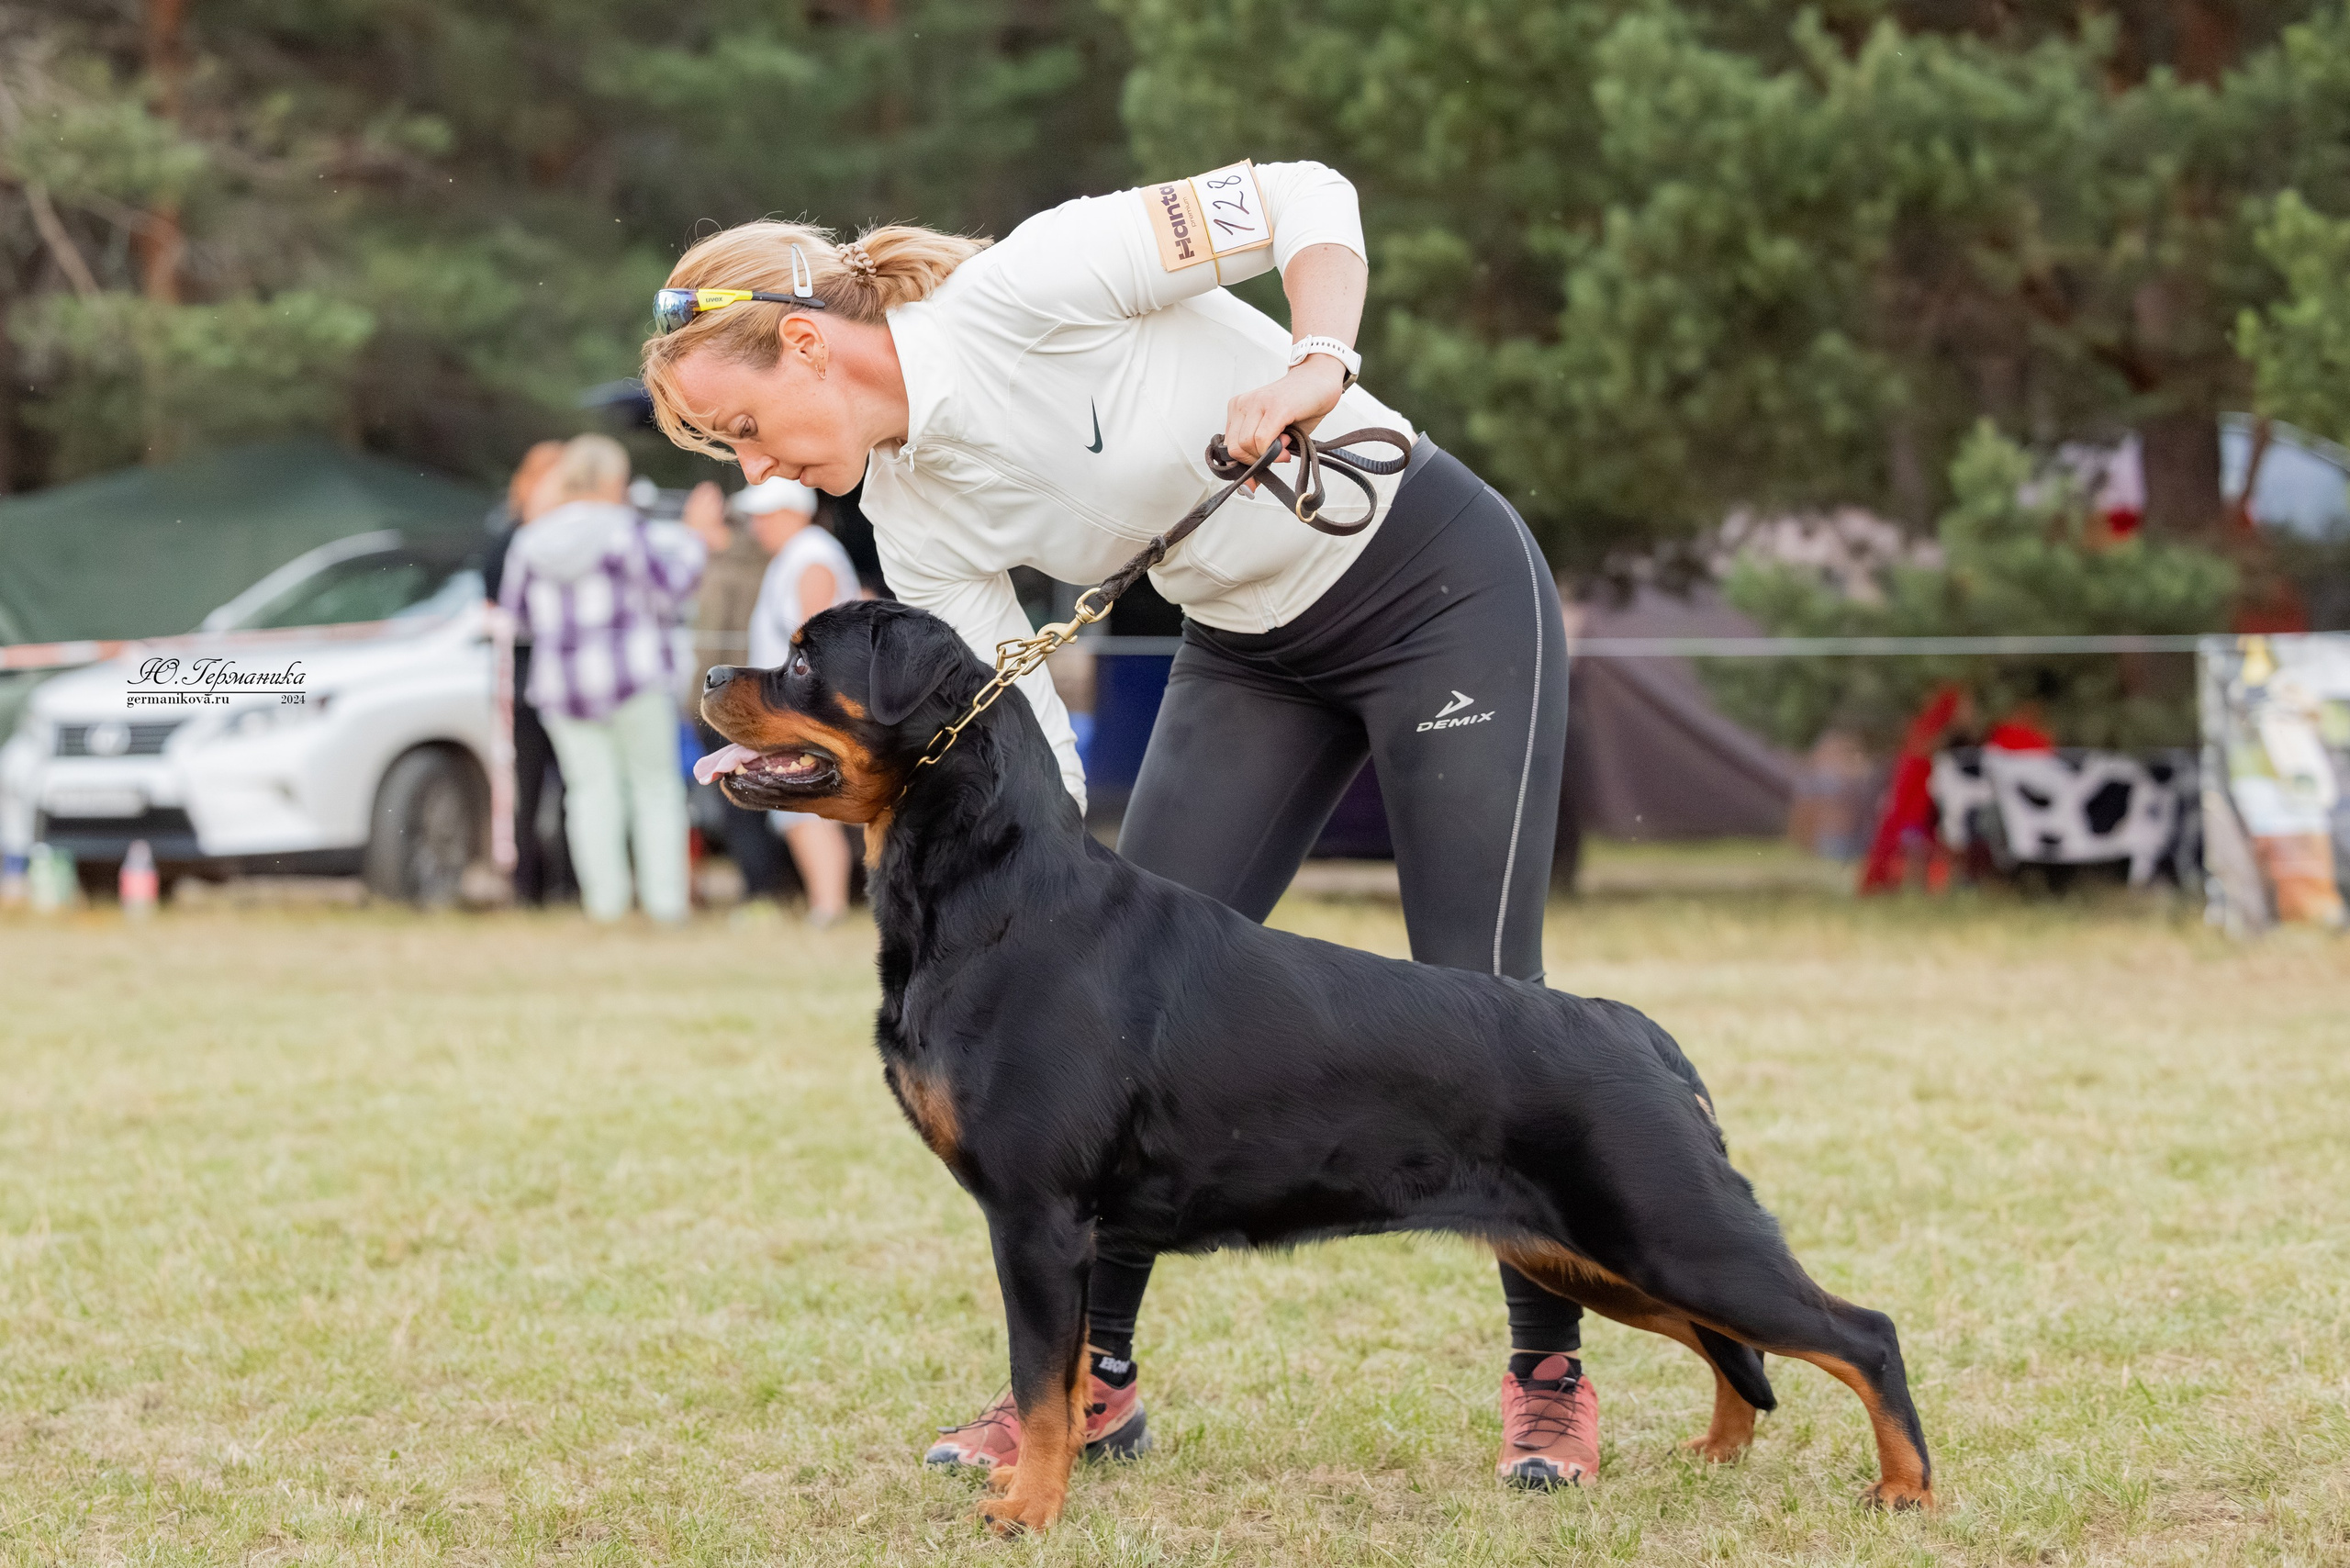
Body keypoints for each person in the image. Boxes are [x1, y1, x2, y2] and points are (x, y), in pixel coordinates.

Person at [638, 162, 1585, 1486]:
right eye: (726, 456)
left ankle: (1548, 1375)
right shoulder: (908, 516)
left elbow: (1306, 197)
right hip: (1250, 649)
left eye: (743, 427)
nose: (756, 468)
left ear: (806, 343)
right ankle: (1092, 1386)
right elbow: (1004, 745)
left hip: (1438, 596)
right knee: (1117, 1016)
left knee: (1486, 999)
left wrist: (1319, 362)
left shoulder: (1035, 283)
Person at [499, 433, 706, 924]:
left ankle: (605, 906)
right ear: (613, 480)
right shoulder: (624, 531)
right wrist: (696, 542)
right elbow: (670, 591)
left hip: (563, 686)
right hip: (633, 677)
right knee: (655, 790)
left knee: (590, 793)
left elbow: (516, 615)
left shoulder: (529, 540)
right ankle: (665, 905)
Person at [740, 476, 862, 924]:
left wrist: (797, 709)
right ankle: (825, 904)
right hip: (795, 703)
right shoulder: (801, 553)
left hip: (802, 705)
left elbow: (814, 640)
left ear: (793, 511)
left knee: (804, 805)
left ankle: (827, 907)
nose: (757, 525)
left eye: (765, 515)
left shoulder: (810, 556)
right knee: (800, 806)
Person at [679, 477, 794, 902]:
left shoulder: (720, 569)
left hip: (729, 701)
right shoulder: (766, 561)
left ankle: (761, 892)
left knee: (739, 801)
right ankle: (775, 888)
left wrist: (695, 702)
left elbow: (709, 646)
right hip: (764, 696)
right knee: (765, 796)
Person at [480, 440, 576, 906]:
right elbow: (497, 609)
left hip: (571, 678)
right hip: (522, 681)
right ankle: (527, 887)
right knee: (529, 786)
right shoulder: (511, 539)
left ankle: (569, 883)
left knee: (574, 786)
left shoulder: (570, 535)